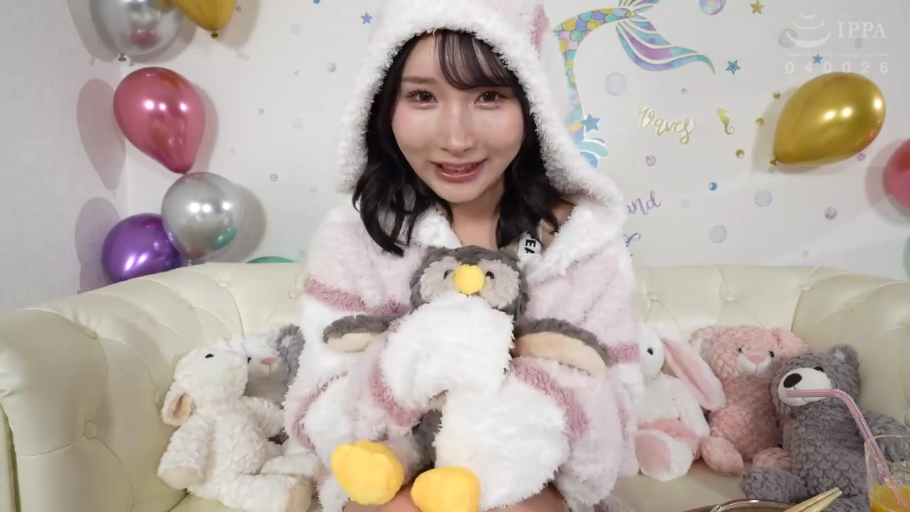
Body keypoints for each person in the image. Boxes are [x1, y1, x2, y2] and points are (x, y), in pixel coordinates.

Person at [283, 0, 643, 510]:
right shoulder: (353, 235)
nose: (456, 138)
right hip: (389, 483)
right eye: (423, 96)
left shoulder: (581, 244)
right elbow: (315, 410)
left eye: (489, 95)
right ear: (383, 103)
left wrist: (512, 406)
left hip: (533, 486)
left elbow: (615, 429)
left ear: (534, 104)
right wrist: (414, 363)